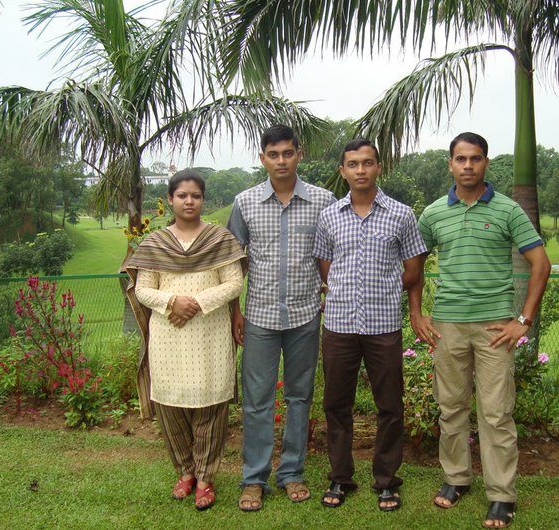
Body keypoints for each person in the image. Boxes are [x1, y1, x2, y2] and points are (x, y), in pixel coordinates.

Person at [410, 132, 550, 529]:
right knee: (450, 407)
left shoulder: (507, 210)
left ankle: (501, 495)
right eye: (461, 159)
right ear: (450, 164)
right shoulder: (433, 213)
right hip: (448, 326)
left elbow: (541, 264)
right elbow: (414, 266)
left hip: (494, 329)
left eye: (475, 158)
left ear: (486, 162)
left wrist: (523, 320)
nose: (468, 165)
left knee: (496, 412)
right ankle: (456, 478)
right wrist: (417, 314)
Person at [313, 139, 427, 512]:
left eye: (367, 163)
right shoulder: (329, 216)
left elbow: (413, 268)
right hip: (340, 324)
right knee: (336, 404)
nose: (360, 170)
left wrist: (387, 290)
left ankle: (387, 481)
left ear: (379, 167)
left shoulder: (401, 215)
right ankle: (340, 477)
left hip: (383, 325)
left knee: (390, 405)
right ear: (343, 171)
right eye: (353, 164)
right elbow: (326, 267)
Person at [227, 125, 336, 511]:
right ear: (263, 159)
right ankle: (254, 478)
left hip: (306, 314)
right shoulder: (245, 202)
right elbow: (233, 262)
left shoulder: (323, 200)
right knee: (257, 400)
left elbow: (332, 254)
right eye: (273, 155)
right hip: (260, 316)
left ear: (298, 155)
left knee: (299, 396)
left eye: (288, 153)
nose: (281, 161)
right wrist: (235, 310)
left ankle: (291, 472)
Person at [126, 169, 245, 511]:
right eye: (182, 195)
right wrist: (171, 302)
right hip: (168, 335)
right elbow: (143, 288)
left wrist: (195, 303)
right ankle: (185, 471)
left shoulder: (220, 239)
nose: (189, 201)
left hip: (210, 334)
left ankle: (206, 478)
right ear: (170, 199)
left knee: (211, 405)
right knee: (171, 405)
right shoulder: (155, 243)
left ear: (203, 199)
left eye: (195, 195)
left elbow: (234, 282)